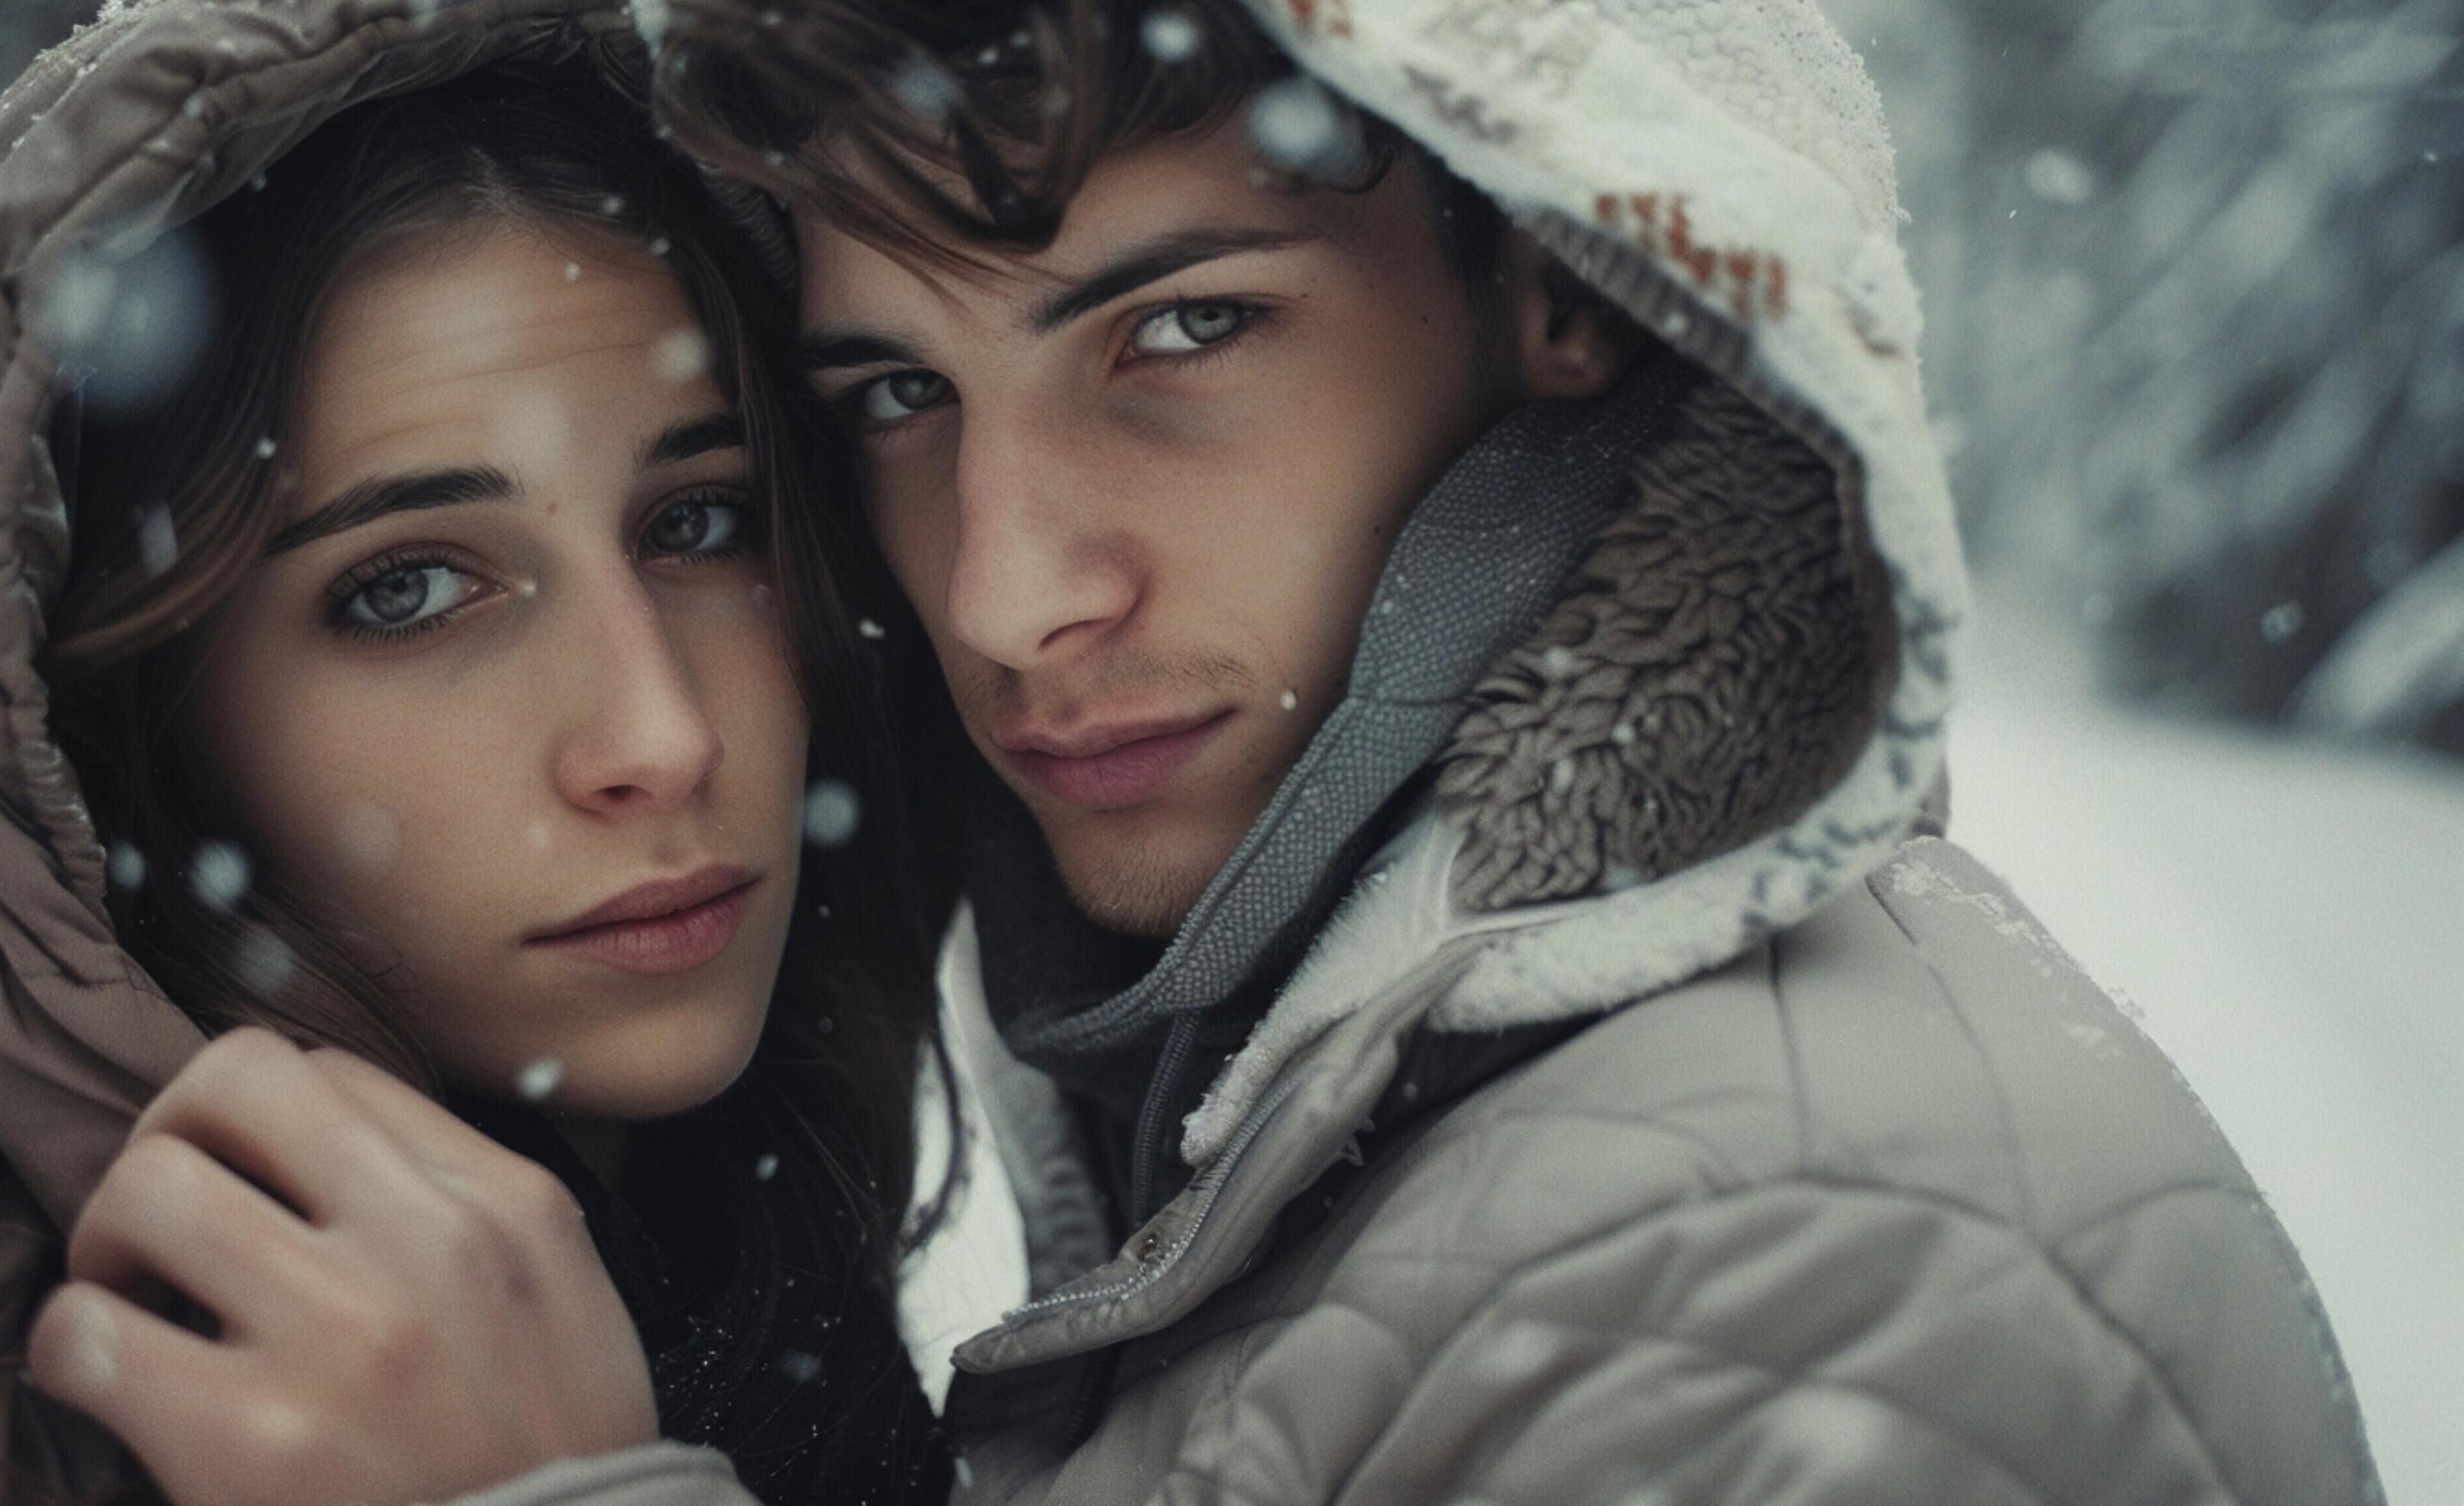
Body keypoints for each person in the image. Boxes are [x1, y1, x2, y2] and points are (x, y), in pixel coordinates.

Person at [632, 0, 2389, 1498]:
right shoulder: (1361, 1096)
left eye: (1181, 328)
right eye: (895, 395)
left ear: (1577, 282)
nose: (1007, 594)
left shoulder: (1793, 1268)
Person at [0, 6, 952, 1502]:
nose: (662, 736)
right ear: (104, 715)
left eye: (696, 521)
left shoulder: (750, 1242)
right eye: (405, 586)